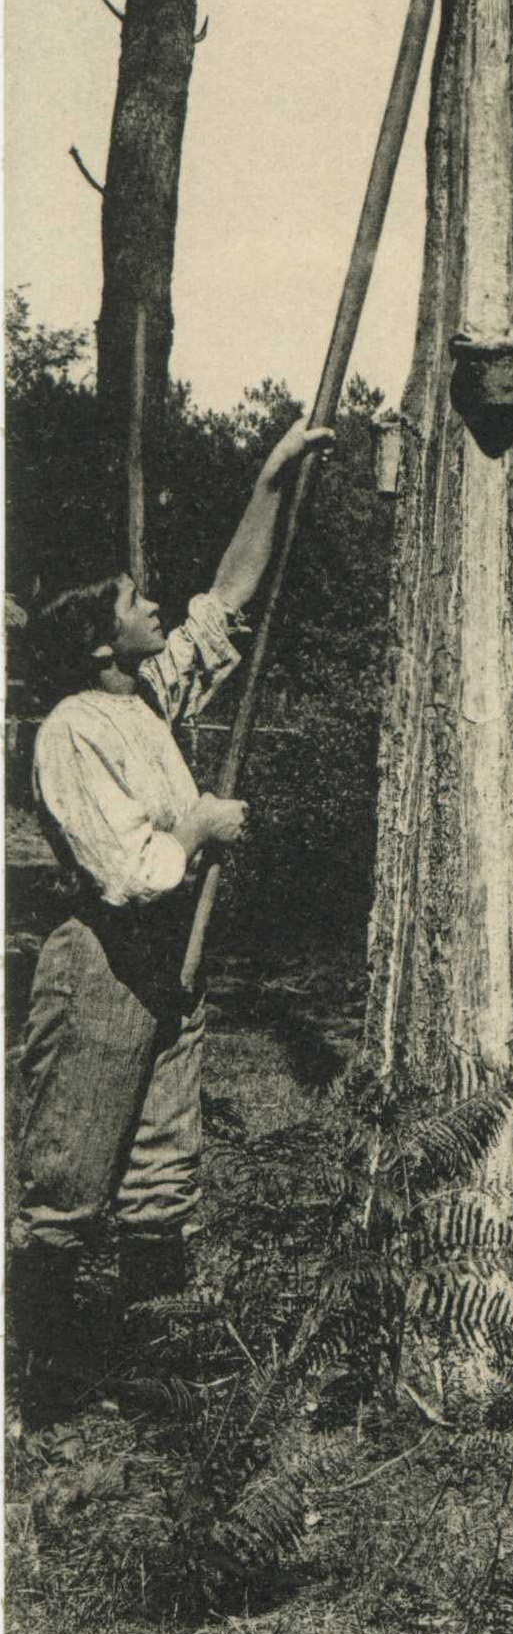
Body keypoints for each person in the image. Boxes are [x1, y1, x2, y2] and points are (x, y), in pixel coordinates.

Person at [9, 419, 331, 1417]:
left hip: (170, 965)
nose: (154, 605)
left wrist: (272, 477)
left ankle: (151, 1370)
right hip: (106, 959)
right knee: (71, 1168)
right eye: (132, 601)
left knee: (158, 1169)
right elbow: (125, 868)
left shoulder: (146, 697)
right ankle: (44, 1375)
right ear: (103, 640)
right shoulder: (71, 729)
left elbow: (225, 600)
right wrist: (193, 825)